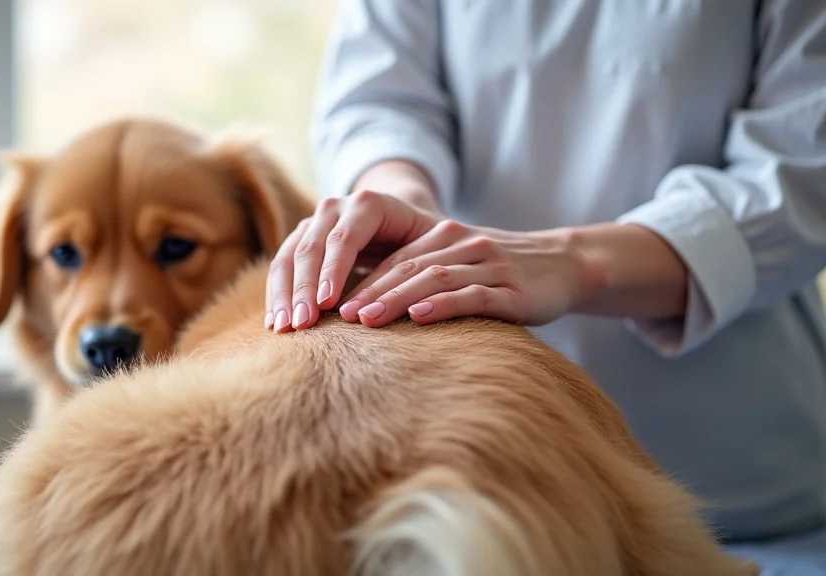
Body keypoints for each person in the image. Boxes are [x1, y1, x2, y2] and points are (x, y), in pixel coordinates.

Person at [265, 0, 826, 557]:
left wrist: (574, 262)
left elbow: (801, 169)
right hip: (491, 480)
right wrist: (399, 196)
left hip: (747, 495)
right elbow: (381, 100)